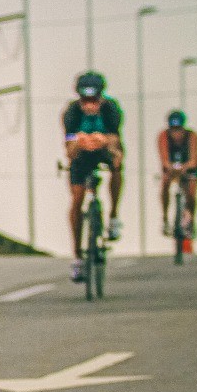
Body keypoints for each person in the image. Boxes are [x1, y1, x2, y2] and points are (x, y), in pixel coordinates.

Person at [62, 71, 124, 282]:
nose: (90, 105)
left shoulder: (110, 109)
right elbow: (69, 148)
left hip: (104, 149)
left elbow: (115, 139)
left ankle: (114, 215)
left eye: (93, 100)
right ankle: (78, 257)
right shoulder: (71, 112)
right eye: (86, 100)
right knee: (77, 199)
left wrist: (110, 147)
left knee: (116, 166)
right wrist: (79, 143)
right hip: (81, 156)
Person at [158, 110, 197, 239]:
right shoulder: (163, 136)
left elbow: (194, 159)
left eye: (179, 130)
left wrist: (185, 167)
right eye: (173, 130)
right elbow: (164, 158)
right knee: (165, 184)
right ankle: (165, 218)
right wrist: (170, 167)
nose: (176, 134)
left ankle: (190, 219)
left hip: (189, 166)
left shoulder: (192, 136)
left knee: (191, 193)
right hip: (171, 167)